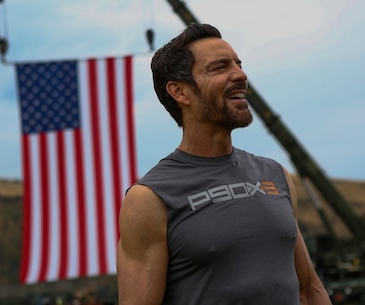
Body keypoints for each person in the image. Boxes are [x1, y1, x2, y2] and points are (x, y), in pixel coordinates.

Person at [116, 23, 332, 305]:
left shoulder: (275, 175)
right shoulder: (149, 198)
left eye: (238, 64)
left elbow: (309, 290)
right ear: (179, 92)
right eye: (220, 67)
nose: (241, 75)